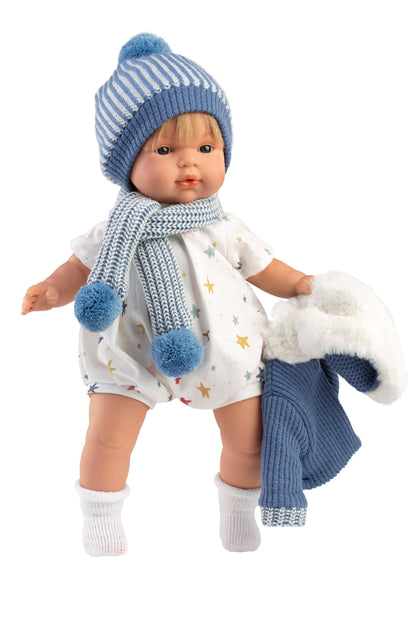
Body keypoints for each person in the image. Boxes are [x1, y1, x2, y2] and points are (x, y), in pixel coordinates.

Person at [22, 33, 313, 556]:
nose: (189, 163)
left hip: (226, 347)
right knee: (108, 438)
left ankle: (237, 511)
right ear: (126, 163)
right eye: (164, 150)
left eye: (206, 148)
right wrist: (53, 290)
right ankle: (101, 521)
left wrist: (300, 285)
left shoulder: (222, 225)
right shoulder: (116, 229)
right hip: (129, 350)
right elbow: (79, 268)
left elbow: (264, 268)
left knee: (249, 442)